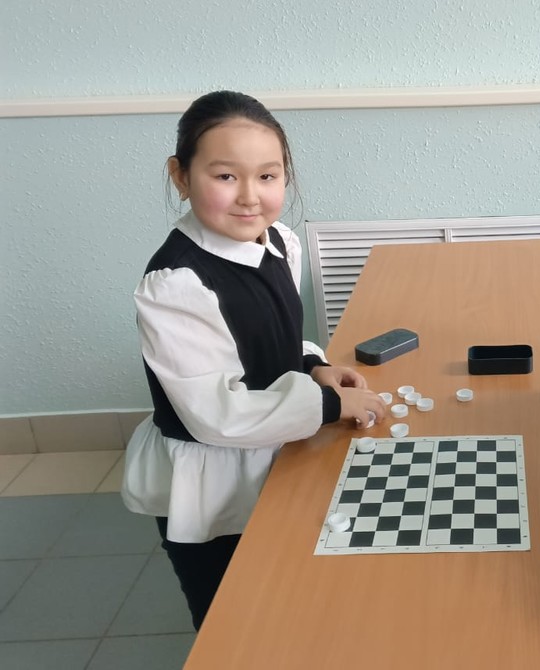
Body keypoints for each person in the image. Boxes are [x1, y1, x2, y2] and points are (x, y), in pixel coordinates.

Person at [121, 90, 387, 630]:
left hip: (278, 450)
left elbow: (273, 337)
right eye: (225, 176)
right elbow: (217, 415)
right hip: (215, 484)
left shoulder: (279, 243)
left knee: (289, 596)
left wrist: (313, 366)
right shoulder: (176, 284)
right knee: (231, 617)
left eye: (268, 176)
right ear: (180, 176)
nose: (249, 196)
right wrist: (330, 404)